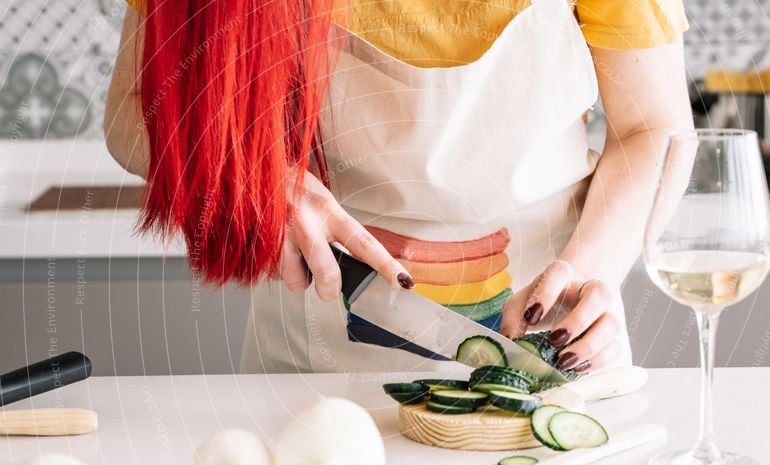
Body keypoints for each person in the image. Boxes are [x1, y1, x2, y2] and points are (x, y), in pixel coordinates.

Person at [105, 0, 693, 374]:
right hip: (316, 366)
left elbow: (652, 128)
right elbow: (134, 112)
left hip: (546, 350)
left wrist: (592, 269)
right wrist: (259, 177)